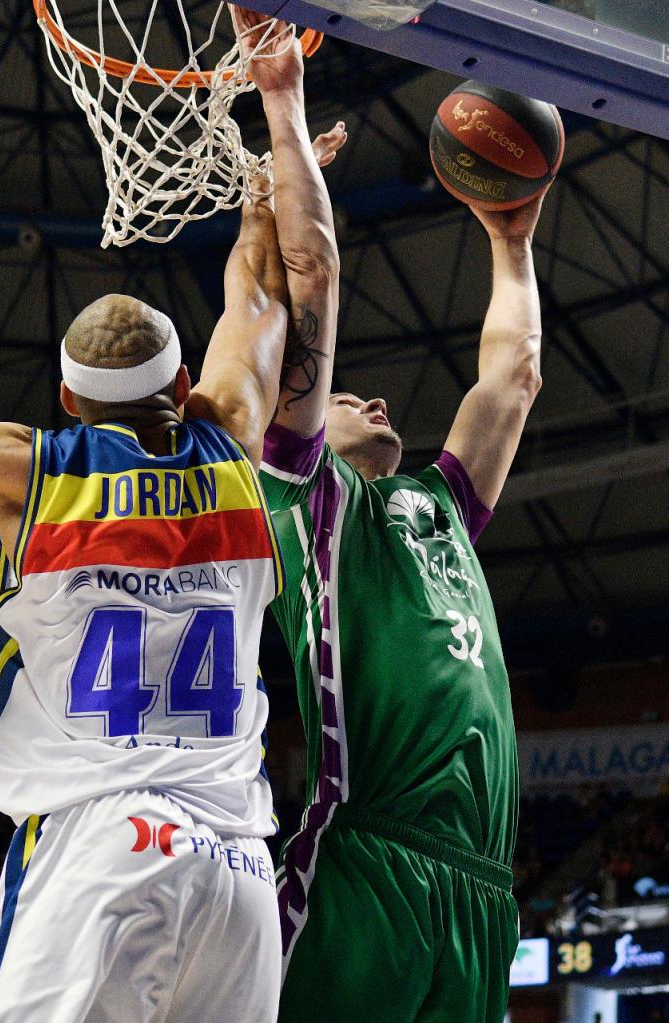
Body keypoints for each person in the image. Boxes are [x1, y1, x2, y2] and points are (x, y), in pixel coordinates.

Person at [0, 37, 345, 1022]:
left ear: (65, 397)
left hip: (104, 851)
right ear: (181, 386)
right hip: (235, 863)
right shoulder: (231, 435)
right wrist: (263, 199)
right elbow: (262, 297)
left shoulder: (21, 466)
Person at [259, 182, 554, 1021]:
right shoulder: (309, 503)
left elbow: (515, 373)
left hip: (484, 890)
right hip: (366, 861)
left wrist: (512, 241)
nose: (375, 402)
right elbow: (309, 289)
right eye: (349, 400)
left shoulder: (439, 505)